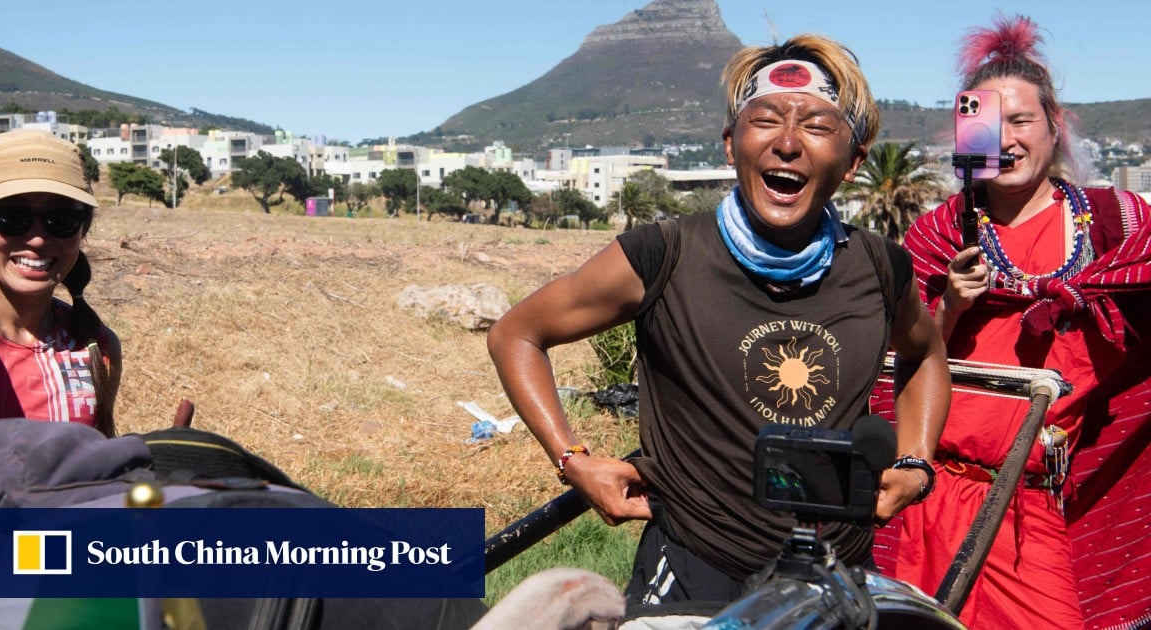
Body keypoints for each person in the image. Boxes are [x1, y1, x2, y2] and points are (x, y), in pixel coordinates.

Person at [487, 34, 950, 615]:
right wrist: (572, 460)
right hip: (695, 570)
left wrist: (916, 461)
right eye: (766, 121)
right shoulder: (665, 255)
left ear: (854, 161)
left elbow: (926, 355)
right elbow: (517, 335)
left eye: (816, 126)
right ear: (732, 145)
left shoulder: (880, 266)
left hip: (835, 578)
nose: (787, 143)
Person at [889, 15, 1151, 629]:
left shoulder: (1118, 224)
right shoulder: (940, 232)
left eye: (1021, 120)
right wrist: (950, 305)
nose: (1004, 138)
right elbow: (897, 365)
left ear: (1055, 128)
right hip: (939, 500)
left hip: (1044, 500)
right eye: (986, 122)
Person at [0, 129, 121, 436]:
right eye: (11, 217)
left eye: (62, 219)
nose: (38, 238)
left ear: (83, 229)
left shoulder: (96, 345)